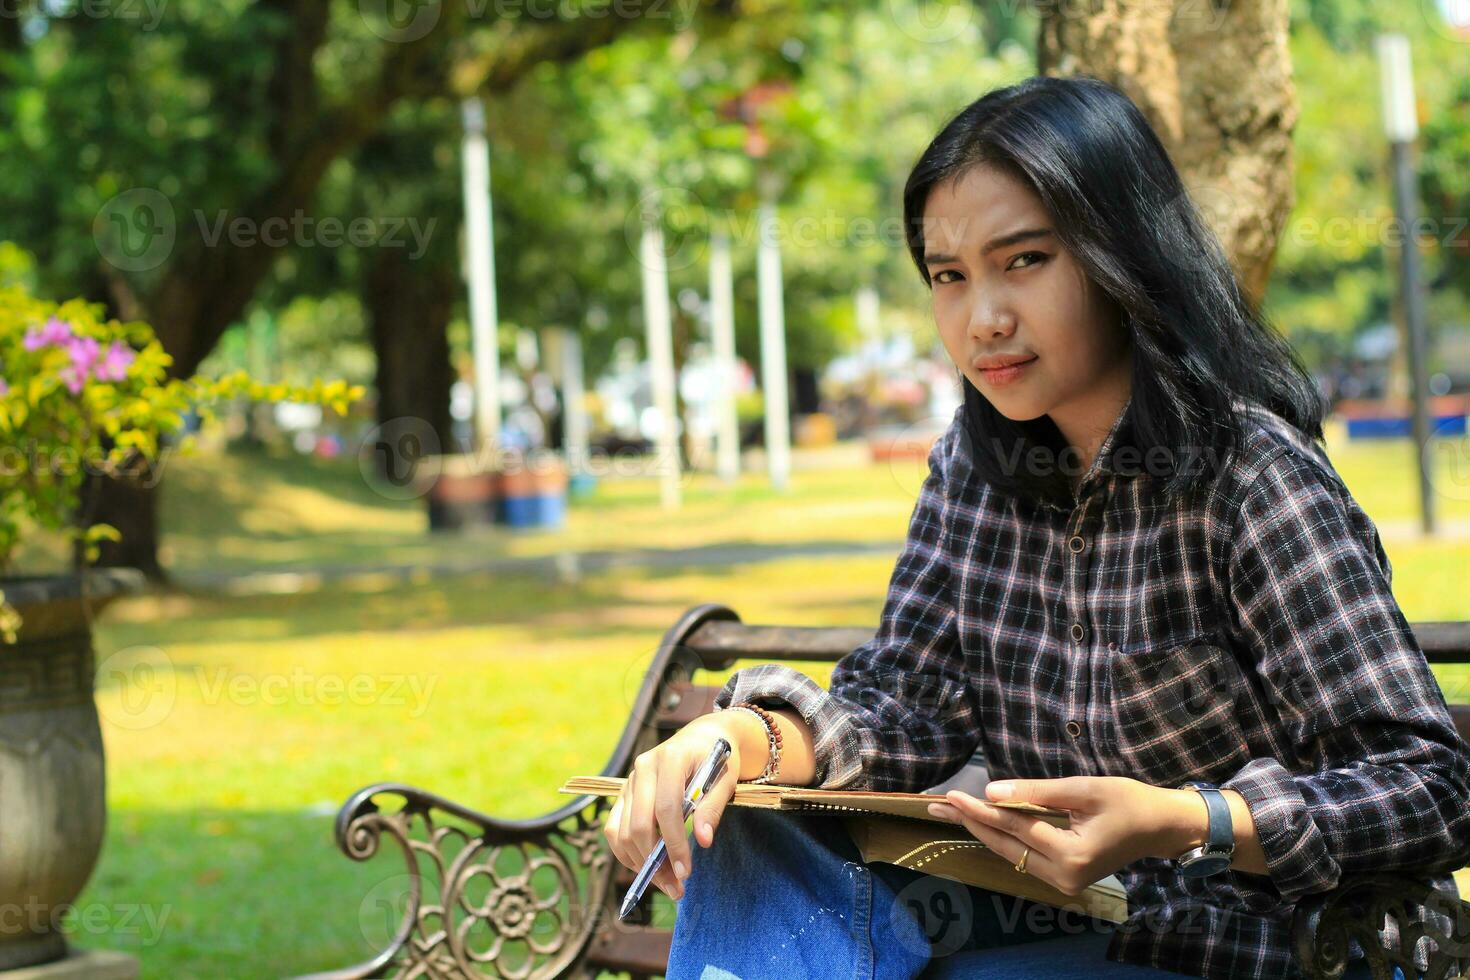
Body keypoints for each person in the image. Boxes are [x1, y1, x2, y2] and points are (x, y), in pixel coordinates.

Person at [601, 75, 1470, 979]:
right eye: (950, 276)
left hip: (1255, 950)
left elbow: (1432, 788)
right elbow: (904, 705)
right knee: (746, 825)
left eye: (1024, 261)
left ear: (1121, 254)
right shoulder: (974, 472)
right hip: (1045, 926)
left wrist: (1192, 821)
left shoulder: (1250, 476)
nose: (985, 319)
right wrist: (742, 740)